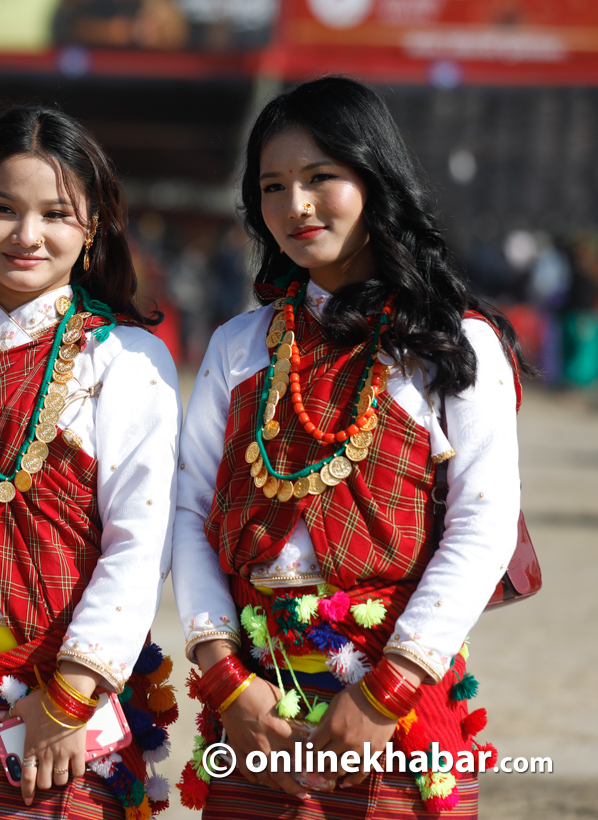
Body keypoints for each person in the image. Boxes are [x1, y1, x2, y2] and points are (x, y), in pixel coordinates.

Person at [172, 77, 527, 818]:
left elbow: (483, 524)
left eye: (320, 177)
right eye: (273, 187)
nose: (295, 206)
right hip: (256, 706)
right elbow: (189, 512)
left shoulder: (454, 344)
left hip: (396, 699)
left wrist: (383, 693)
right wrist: (227, 683)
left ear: (375, 178)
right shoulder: (239, 346)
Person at [0, 106, 181, 819]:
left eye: (55, 214)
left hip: (65, 701)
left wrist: (71, 694)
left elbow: (140, 544)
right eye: (4, 209)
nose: (27, 234)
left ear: (93, 227)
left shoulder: (127, 361)